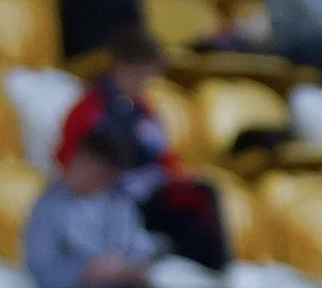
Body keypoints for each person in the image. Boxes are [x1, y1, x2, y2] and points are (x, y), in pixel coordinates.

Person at [24, 128, 260, 288]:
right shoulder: (49, 209)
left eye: (107, 176)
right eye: (98, 173)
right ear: (80, 161)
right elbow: (43, 276)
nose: (101, 182)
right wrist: (87, 273)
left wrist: (134, 268)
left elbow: (141, 250)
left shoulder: (117, 202)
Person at [56, 41, 231, 274]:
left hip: (147, 192)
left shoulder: (144, 110)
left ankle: (206, 271)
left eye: (147, 78)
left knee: (198, 195)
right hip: (111, 194)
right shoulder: (87, 110)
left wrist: (176, 177)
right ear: (118, 68)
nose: (141, 84)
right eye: (136, 75)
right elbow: (70, 161)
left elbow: (162, 155)